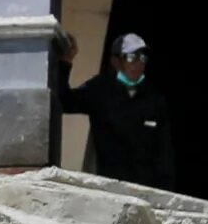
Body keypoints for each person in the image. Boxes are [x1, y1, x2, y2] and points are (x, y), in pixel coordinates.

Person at [61, 32, 177, 190]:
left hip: (146, 191)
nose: (138, 64)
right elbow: (64, 101)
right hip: (110, 188)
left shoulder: (155, 101)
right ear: (115, 61)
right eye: (131, 57)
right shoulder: (99, 91)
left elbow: (164, 153)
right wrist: (66, 62)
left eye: (142, 58)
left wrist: (166, 190)